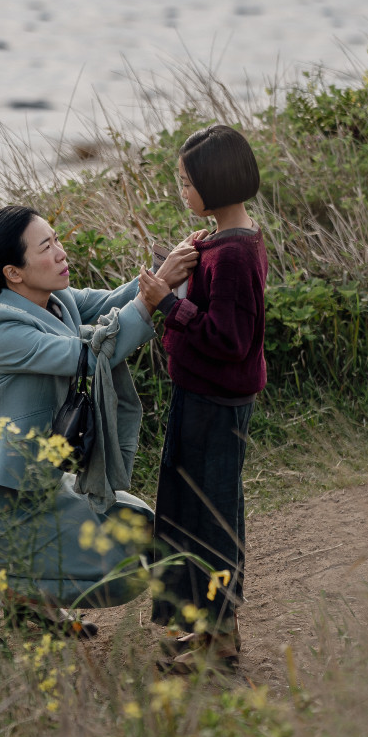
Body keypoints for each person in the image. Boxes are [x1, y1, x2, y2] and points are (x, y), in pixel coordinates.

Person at [0, 205, 194, 649]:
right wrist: (154, 296)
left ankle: (28, 598)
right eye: (46, 247)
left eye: (56, 239)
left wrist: (168, 268)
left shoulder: (56, 299)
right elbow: (91, 356)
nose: (60, 252)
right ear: (13, 273)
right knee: (123, 574)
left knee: (142, 527)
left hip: (40, 486)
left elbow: (120, 302)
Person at [136, 124, 268, 670]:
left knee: (211, 519)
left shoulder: (234, 255)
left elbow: (229, 339)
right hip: (202, 399)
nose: (180, 190)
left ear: (214, 183)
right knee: (193, 512)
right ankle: (208, 630)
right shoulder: (223, 241)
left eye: (186, 182)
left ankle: (222, 640)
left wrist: (167, 303)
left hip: (216, 405)